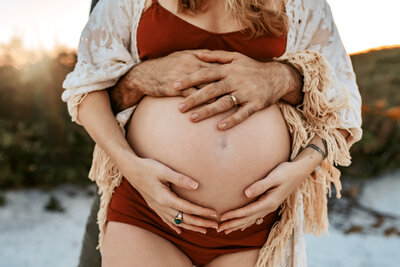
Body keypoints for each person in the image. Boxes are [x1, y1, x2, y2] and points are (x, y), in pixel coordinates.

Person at [62, 0, 362, 266]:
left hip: (254, 225)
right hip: (148, 212)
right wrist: (131, 166)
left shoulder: (303, 5)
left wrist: (301, 167)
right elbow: (87, 88)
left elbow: (345, 106)